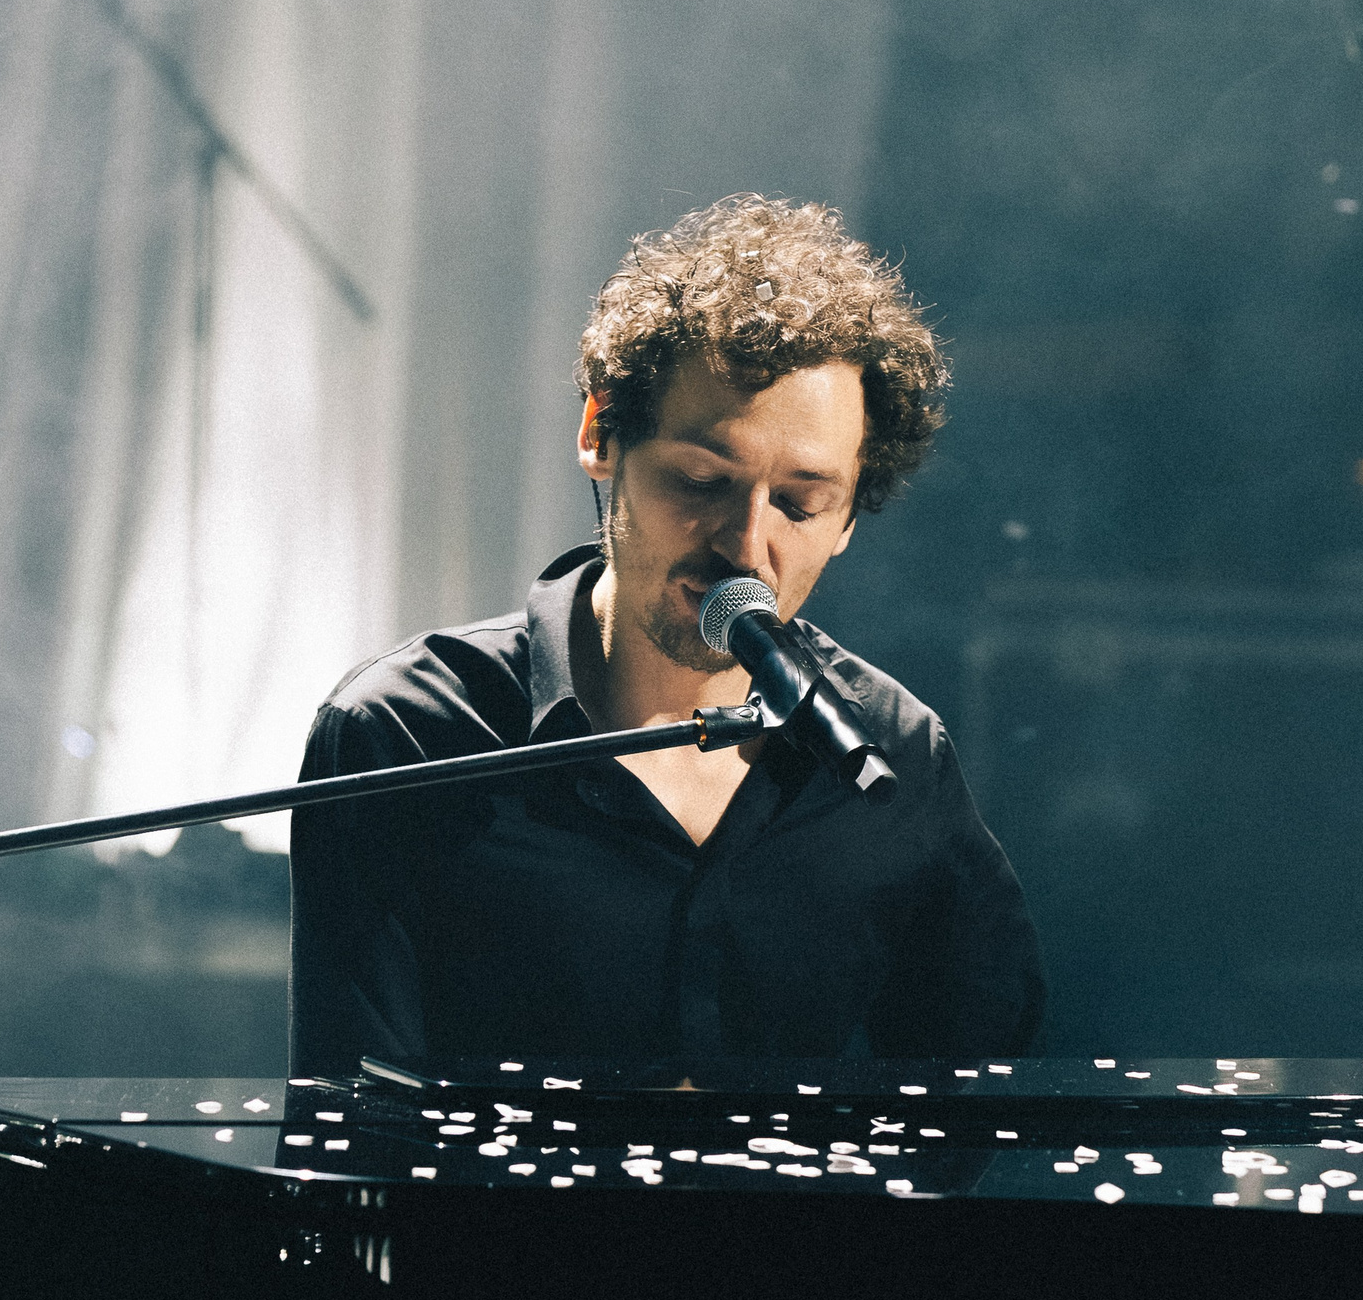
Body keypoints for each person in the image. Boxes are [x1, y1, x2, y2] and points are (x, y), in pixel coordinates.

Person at [289, 195, 1043, 1070]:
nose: (745, 546)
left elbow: (989, 1084)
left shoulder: (892, 750)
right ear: (600, 434)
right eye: (700, 480)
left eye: (800, 504)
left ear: (847, 520)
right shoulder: (406, 733)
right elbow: (353, 1112)